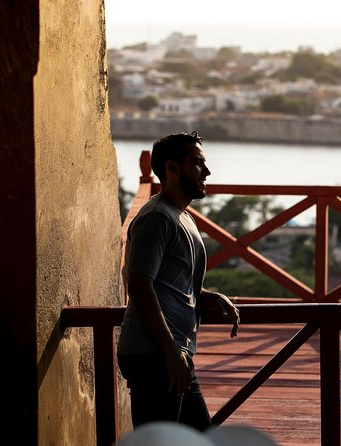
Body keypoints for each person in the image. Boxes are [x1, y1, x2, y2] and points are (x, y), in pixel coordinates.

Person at [117, 131, 240, 431]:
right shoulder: (157, 217)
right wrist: (171, 352)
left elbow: (168, 282)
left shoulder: (181, 216)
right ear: (172, 168)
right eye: (197, 163)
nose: (207, 172)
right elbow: (140, 285)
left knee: (197, 437)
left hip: (172, 352)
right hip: (156, 356)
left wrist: (207, 296)